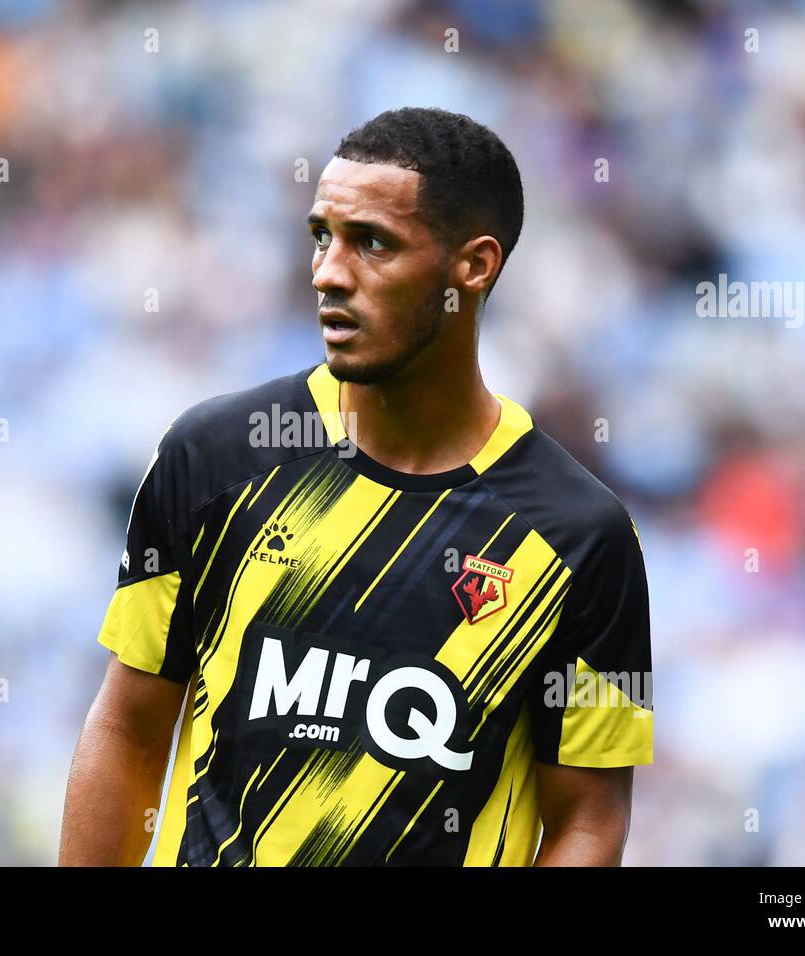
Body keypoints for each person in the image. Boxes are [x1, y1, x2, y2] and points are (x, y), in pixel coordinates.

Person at [59, 107, 653, 866]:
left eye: (372, 243)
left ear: (474, 266)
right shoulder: (212, 458)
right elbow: (128, 727)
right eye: (322, 237)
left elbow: (589, 818)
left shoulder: (584, 536)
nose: (328, 273)